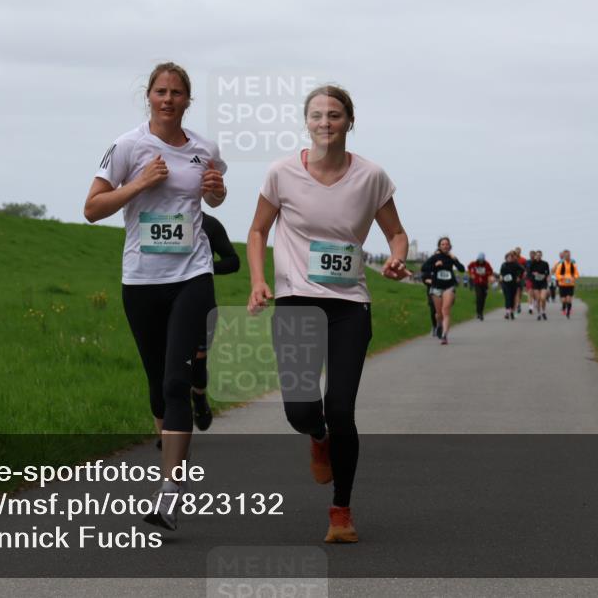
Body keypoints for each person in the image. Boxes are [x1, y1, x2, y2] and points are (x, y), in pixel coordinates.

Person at [246, 85, 409, 543]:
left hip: (349, 307)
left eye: (334, 115)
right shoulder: (281, 173)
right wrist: (259, 281)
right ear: (306, 122)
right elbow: (258, 231)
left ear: (348, 122)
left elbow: (396, 233)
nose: (325, 123)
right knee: (301, 410)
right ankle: (316, 437)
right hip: (296, 300)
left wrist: (396, 257)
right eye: (316, 115)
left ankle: (341, 510)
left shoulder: (372, 176)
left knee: (342, 408)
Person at [83, 62, 228, 531]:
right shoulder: (127, 146)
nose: (168, 99)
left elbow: (215, 198)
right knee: (156, 389)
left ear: (188, 100)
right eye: (161, 91)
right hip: (142, 279)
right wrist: (140, 183)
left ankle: (169, 493)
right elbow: (91, 209)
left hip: (193, 273)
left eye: (177, 92)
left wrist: (217, 190)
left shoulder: (205, 149)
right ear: (148, 96)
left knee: (174, 382)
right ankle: (174, 460)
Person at [190, 213, 240, 430]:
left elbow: (233, 261)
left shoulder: (209, 224)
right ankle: (173, 425)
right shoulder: (155, 219)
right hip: (163, 299)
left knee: (197, 359)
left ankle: (199, 395)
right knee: (168, 365)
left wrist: (205, 266)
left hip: (201, 301)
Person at [421, 237, 465, 345]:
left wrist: (455, 259)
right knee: (438, 313)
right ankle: (439, 325)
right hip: (436, 287)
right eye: (443, 244)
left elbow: (462, 269)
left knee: (446, 310)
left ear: (450, 246)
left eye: (447, 244)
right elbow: (424, 268)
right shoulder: (435, 257)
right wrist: (434, 265)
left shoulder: (451, 257)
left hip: (449, 286)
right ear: (439, 246)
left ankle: (445, 335)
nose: (445, 246)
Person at [554, 249, 580, 318]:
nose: (568, 257)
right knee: (563, 300)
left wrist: (573, 277)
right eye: (566, 256)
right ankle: (564, 306)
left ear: (570, 256)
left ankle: (568, 312)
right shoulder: (561, 265)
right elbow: (557, 274)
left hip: (570, 284)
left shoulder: (573, 265)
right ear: (564, 257)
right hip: (562, 284)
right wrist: (562, 277)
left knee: (569, 299)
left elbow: (577, 274)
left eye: (569, 256)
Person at [498, 251, 525, 319]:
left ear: (512, 258)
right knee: (507, 297)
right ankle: (507, 312)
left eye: (510, 257)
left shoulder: (515, 264)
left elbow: (522, 270)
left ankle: (512, 312)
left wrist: (519, 277)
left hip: (513, 283)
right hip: (505, 283)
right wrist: (501, 276)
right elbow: (501, 272)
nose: (509, 259)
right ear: (506, 258)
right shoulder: (503, 265)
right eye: (508, 257)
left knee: (512, 298)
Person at [526, 249, 551, 320]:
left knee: (543, 298)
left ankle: (543, 312)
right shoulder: (532, 264)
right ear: (535, 256)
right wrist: (533, 274)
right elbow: (529, 273)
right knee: (538, 299)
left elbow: (548, 273)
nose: (538, 256)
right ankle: (539, 313)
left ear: (541, 256)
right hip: (535, 283)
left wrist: (547, 277)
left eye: (540, 255)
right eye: (537, 255)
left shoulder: (545, 263)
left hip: (543, 283)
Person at [467, 253, 494, 321]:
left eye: (482, 260)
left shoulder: (487, 264)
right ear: (478, 259)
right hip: (477, 283)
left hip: (484, 283)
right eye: (479, 260)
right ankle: (479, 313)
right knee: (479, 297)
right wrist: (471, 273)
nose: (481, 261)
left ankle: (481, 312)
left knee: (483, 298)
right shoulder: (473, 263)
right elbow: (469, 267)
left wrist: (486, 273)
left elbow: (490, 271)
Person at [422, 250, 441, 337]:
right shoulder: (429, 267)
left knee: (440, 311)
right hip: (432, 291)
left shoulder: (444, 266)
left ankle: (440, 326)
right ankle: (434, 326)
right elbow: (425, 278)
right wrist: (431, 281)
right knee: (433, 311)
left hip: (442, 291)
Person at [513, 246, 527, 314]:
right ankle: (517, 305)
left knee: (519, 292)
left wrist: (525, 273)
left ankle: (518, 304)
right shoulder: (512, 259)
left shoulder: (523, 259)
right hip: (513, 278)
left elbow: (525, 268)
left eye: (519, 251)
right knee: (515, 292)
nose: (517, 252)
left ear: (520, 252)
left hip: (521, 278)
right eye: (516, 251)